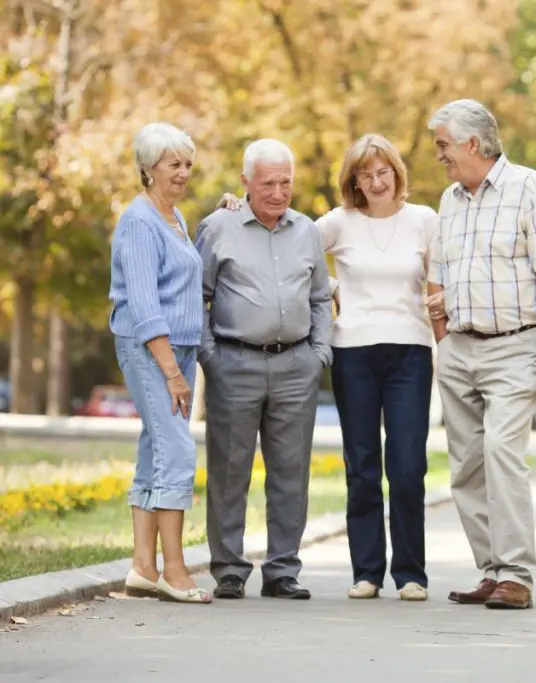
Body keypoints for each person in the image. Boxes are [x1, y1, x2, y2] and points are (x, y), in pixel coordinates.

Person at [221, 134, 440, 601]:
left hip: (410, 352)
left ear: (396, 173)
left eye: (383, 172)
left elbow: (438, 280)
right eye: (366, 174)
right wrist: (237, 207)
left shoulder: (424, 220)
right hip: (353, 352)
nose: (376, 182)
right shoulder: (338, 223)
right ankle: (367, 572)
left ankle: (411, 572)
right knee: (361, 465)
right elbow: (282, 245)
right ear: (353, 180)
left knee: (406, 465)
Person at [425, 98, 536, 610]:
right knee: (464, 465)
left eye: (443, 144)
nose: (438, 154)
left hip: (515, 345)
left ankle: (517, 574)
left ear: (471, 143)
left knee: (501, 453)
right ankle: (491, 569)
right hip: (460, 348)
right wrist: (443, 338)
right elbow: (437, 273)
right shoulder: (449, 200)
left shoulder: (531, 188)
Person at [195, 138, 333, 601]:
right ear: (246, 183)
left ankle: (282, 570)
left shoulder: (307, 230)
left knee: (291, 472)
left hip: (297, 363)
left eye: (286, 182)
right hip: (234, 362)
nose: (278, 192)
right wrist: (209, 355)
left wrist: (320, 353)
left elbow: (320, 297)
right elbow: (198, 295)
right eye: (268, 183)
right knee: (230, 470)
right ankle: (229, 569)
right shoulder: (219, 227)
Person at [108, 122, 211, 604]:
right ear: (149, 169)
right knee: (177, 452)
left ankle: (143, 568)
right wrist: (171, 371)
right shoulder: (139, 221)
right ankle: (175, 570)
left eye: (188, 163)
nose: (184, 172)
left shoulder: (173, 218)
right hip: (152, 348)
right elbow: (146, 306)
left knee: (155, 448)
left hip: (179, 348)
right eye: (174, 164)